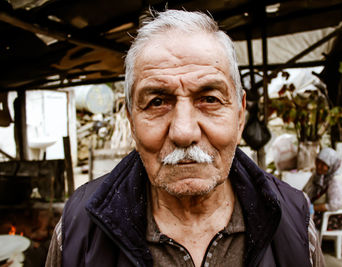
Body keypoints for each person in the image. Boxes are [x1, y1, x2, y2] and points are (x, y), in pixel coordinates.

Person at [46, 9, 324, 267]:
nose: (184, 132)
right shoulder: (79, 229)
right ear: (131, 121)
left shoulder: (294, 224)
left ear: (240, 116)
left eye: (210, 99)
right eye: (157, 102)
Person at [303, 147, 342, 230]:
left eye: (324, 164)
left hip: (334, 216)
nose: (319, 166)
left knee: (302, 221)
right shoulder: (317, 176)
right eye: (318, 162)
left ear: (331, 166)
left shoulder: (335, 180)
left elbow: (334, 205)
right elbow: (305, 191)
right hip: (320, 213)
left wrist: (312, 208)